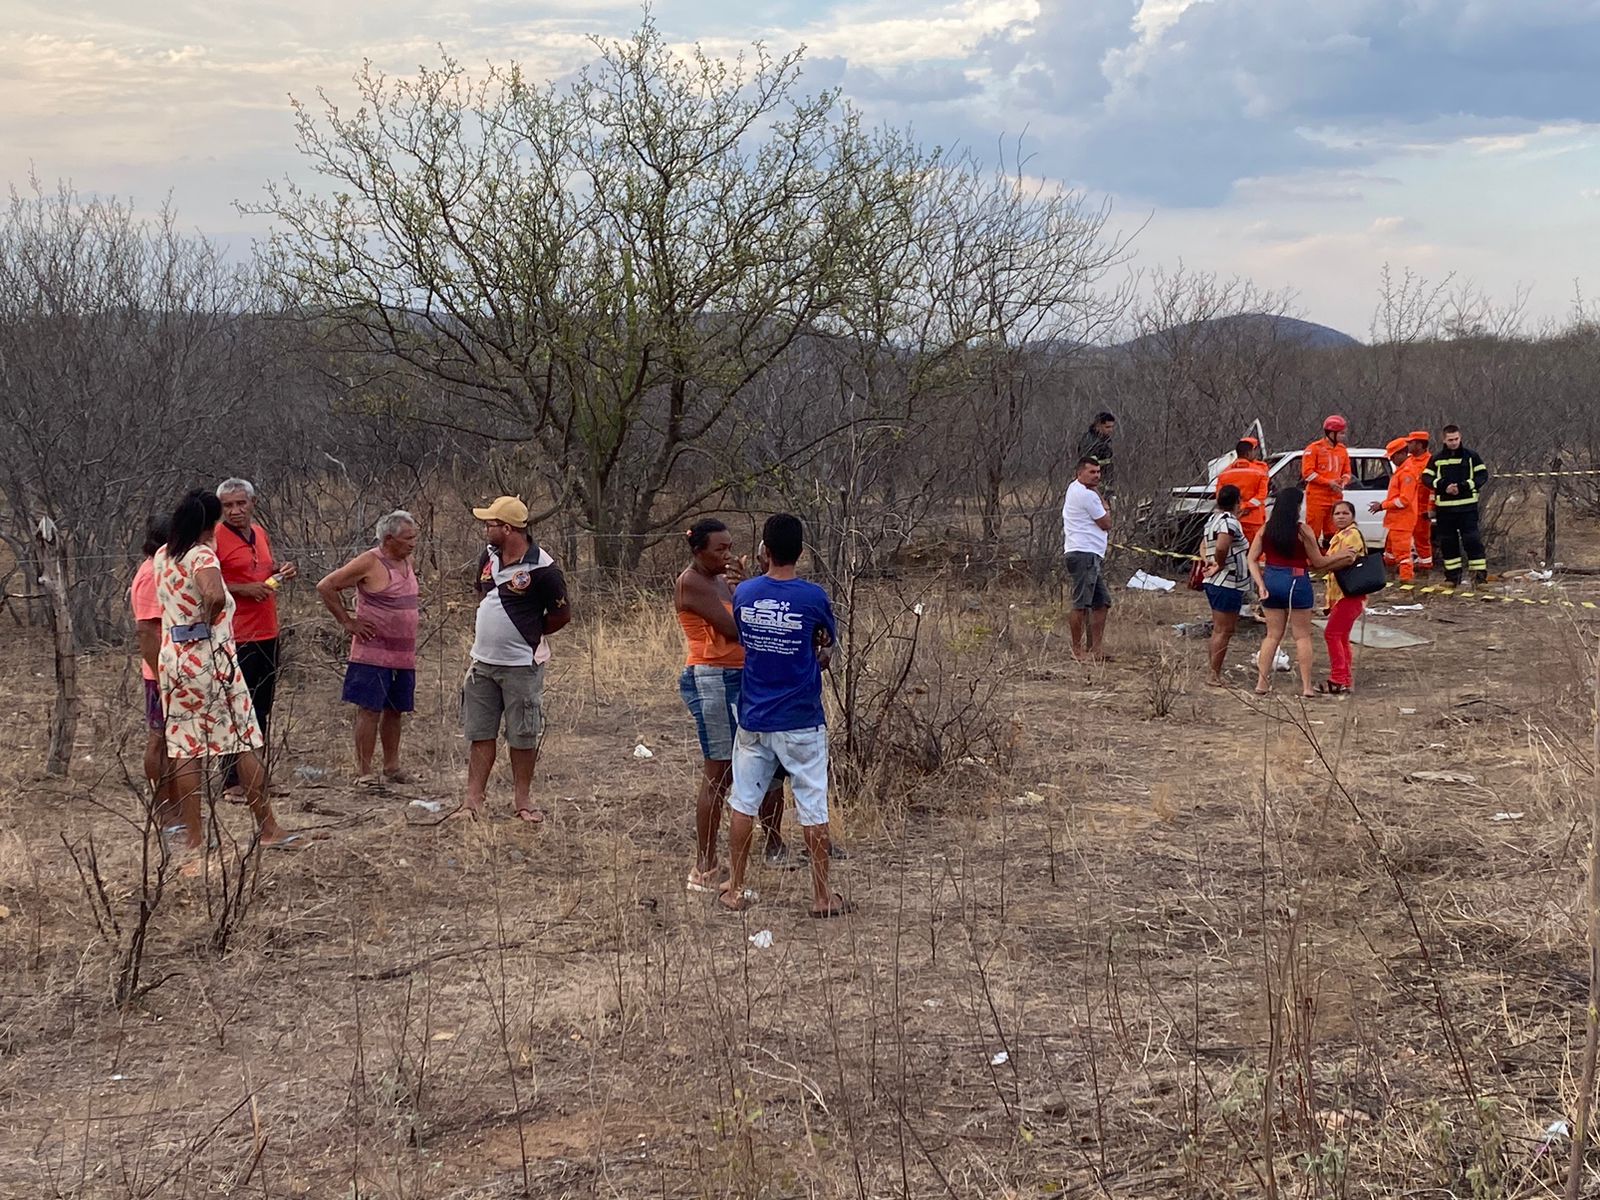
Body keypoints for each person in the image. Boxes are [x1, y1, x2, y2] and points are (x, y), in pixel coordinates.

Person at [153, 489, 299, 854]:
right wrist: (209, 621)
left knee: (186, 747)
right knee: (244, 741)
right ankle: (267, 826)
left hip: (174, 655)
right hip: (209, 657)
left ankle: (195, 838)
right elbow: (214, 594)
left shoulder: (164, 554)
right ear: (211, 521)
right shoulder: (203, 555)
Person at [720, 514, 847, 918]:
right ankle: (822, 897)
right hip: (801, 718)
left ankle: (736, 888)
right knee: (813, 806)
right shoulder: (813, 597)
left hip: (755, 716)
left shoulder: (745, 594)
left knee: (744, 801)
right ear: (802, 552)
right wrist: (818, 655)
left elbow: (747, 638)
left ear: (764, 550)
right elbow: (824, 647)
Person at [675, 519, 793, 891]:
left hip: (743, 676)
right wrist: (747, 588)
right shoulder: (692, 582)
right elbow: (734, 627)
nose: (727, 555)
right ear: (699, 551)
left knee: (767, 758)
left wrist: (744, 586)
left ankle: (774, 843)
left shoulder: (719, 580)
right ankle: (705, 866)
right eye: (719, 549)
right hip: (713, 677)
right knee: (720, 771)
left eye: (729, 547)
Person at [461, 496, 570, 822]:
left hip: (521, 665)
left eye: (490, 524)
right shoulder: (489, 557)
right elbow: (482, 595)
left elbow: (562, 614)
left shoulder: (543, 568)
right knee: (480, 732)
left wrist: (529, 634)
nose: (485, 528)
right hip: (482, 661)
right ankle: (473, 800)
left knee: (522, 734)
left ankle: (522, 800)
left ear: (508, 528)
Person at [315, 510, 421, 784]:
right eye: (407, 538)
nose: (413, 543)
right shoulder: (369, 561)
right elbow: (327, 586)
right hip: (372, 653)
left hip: (403, 654)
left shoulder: (407, 559)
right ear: (389, 539)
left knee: (396, 709)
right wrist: (348, 622)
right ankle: (364, 771)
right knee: (370, 709)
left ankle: (392, 766)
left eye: (414, 537)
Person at [214, 478, 296, 788]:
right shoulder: (214, 538)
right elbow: (205, 584)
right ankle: (232, 780)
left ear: (253, 503)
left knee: (261, 707)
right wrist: (241, 589)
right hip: (235, 635)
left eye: (240, 503)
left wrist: (282, 572)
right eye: (228, 506)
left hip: (267, 631)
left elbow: (264, 571)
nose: (235, 511)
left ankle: (255, 775)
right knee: (237, 707)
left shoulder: (259, 532)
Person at [1247, 484, 1356, 697]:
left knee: (1272, 635)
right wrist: (1342, 555)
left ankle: (1262, 683)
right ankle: (1306, 687)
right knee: (1302, 636)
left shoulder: (1266, 528)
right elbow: (1318, 561)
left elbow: (1251, 559)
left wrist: (1260, 584)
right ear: (1297, 506)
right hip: (1297, 581)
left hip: (1271, 580)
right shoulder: (1302, 530)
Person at [131, 515, 174, 829]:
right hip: (159, 672)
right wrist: (162, 678)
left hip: (172, 669)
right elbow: (147, 632)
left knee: (173, 741)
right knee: (158, 739)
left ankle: (176, 808)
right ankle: (163, 811)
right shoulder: (150, 575)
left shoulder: (164, 571)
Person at [1422, 425, 1490, 588]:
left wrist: (1464, 486)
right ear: (1444, 440)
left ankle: (1479, 579)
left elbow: (1482, 475)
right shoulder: (1437, 459)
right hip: (1445, 509)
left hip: (1467, 508)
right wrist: (1444, 486)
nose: (1453, 443)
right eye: (1450, 440)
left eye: (1456, 439)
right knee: (1448, 543)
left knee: (1472, 541)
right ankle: (1452, 579)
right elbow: (1426, 478)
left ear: (1460, 438)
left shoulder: (1471, 456)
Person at [1061, 456, 1113, 662]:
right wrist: (1105, 505)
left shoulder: (1075, 489)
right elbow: (1106, 523)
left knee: (1102, 602)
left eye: (1098, 472)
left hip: (1089, 554)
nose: (1097, 476)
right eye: (1091, 472)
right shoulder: (1086, 495)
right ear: (1079, 473)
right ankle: (1077, 650)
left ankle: (1095, 649)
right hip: (1084, 554)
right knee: (1081, 604)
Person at [1201, 485, 1249, 686]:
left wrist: (1208, 561)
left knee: (1219, 629)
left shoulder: (1212, 519)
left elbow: (1204, 545)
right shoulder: (1229, 522)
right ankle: (1214, 675)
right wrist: (1219, 564)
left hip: (1215, 581)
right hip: (1227, 581)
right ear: (1237, 501)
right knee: (1224, 630)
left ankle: (1213, 670)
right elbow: (1222, 545)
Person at [1319, 500, 1368, 696]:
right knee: (1341, 636)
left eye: (1345, 513)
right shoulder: (1338, 536)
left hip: (1349, 593)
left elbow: (1348, 559)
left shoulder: (1352, 535)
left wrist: (1324, 564)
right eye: (1337, 513)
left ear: (1352, 516)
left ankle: (1338, 679)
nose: (1340, 516)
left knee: (1332, 634)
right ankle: (1345, 679)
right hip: (1340, 594)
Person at [1369, 437, 1423, 582]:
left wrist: (1382, 505)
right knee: (1390, 553)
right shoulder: (1402, 470)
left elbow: (1404, 500)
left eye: (1393, 456)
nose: (1391, 460)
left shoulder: (1407, 472)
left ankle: (1405, 585)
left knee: (1403, 555)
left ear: (1401, 453)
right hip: (1396, 521)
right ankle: (1391, 579)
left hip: (1402, 521)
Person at [1301, 415, 1352, 541]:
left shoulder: (1342, 450)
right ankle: (1311, 558)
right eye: (1341, 433)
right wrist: (1328, 483)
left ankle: (1330, 557)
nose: (1343, 436)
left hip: (1335, 497)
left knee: (1334, 533)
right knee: (1313, 532)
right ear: (1331, 433)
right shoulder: (1314, 449)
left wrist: (1344, 482)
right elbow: (1307, 473)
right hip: (1317, 498)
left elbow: (1347, 472)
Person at [1215, 436, 1270, 547]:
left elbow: (1219, 498)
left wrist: (1237, 509)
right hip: (1253, 520)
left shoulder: (1224, 473)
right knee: (1256, 553)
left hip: (1230, 520)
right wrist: (1245, 507)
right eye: (1255, 450)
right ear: (1249, 452)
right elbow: (1261, 496)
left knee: (1233, 551)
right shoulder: (1260, 471)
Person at [1409, 430, 1434, 572]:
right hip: (1408, 509)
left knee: (1422, 541)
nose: (1408, 445)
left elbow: (1433, 489)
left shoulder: (1430, 462)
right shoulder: (1408, 461)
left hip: (1422, 510)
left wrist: (1430, 509)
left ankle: (1426, 569)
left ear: (1419, 445)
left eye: (1411, 443)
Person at [1076, 412, 1116, 486]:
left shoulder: (1105, 440)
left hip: (1105, 481)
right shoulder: (1089, 442)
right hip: (1093, 484)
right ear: (1098, 426)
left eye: (1112, 427)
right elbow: (1088, 465)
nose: (1111, 430)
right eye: (1107, 427)